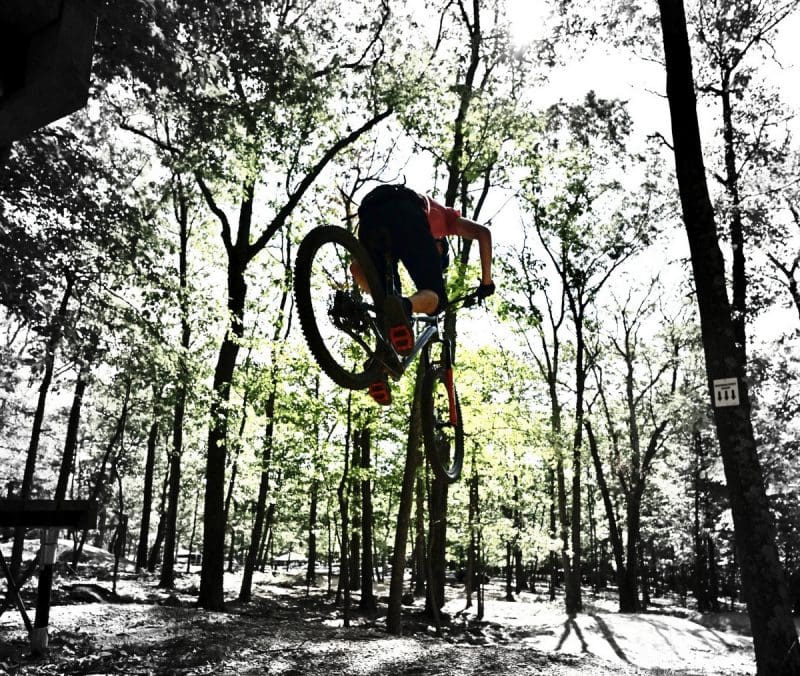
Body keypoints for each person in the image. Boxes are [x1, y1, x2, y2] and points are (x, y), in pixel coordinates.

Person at [350, 183, 495, 404]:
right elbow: (483, 233)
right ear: (440, 245)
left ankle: (378, 366)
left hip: (369, 216)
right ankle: (404, 307)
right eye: (439, 256)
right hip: (405, 212)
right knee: (437, 299)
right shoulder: (443, 219)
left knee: (388, 301)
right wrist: (487, 283)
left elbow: (356, 269)